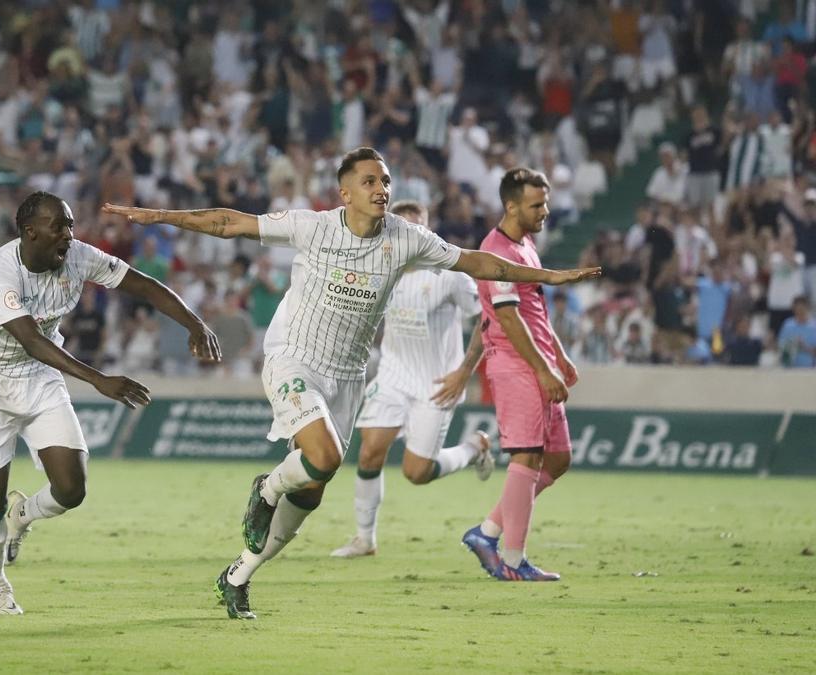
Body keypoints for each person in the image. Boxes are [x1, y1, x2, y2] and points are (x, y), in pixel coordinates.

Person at [103, 147, 600, 619]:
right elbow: (227, 222)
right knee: (322, 459)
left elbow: (477, 261)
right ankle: (267, 487)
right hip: (294, 359)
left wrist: (546, 276)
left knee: (314, 490)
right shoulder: (312, 227)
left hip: (349, 376)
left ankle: (239, 574)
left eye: (385, 180)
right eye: (369, 181)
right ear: (345, 193)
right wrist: (163, 216)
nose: (381, 187)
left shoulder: (406, 237)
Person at [0, 191, 220, 615]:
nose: (69, 233)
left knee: (72, 489)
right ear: (30, 232)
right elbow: (30, 340)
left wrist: (194, 322)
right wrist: (98, 379)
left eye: (70, 224)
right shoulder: (0, 273)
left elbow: (141, 284)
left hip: (41, 378)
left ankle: (24, 514)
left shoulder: (78, 256)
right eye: (58, 226)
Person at [329, 200, 493, 559]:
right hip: (392, 375)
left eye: (417, 227)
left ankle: (475, 448)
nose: (410, 234)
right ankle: (364, 539)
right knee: (370, 452)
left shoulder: (450, 274)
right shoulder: (377, 270)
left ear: (427, 230)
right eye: (402, 227)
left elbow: (487, 320)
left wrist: (464, 373)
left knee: (417, 473)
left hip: (437, 383)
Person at [460, 168, 586, 582]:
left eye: (545, 202)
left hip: (539, 359)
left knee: (558, 457)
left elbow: (534, 310)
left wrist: (560, 356)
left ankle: (488, 532)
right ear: (511, 205)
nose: (545, 211)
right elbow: (509, 317)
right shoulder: (496, 252)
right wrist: (542, 367)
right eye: (537, 204)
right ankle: (513, 560)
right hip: (516, 364)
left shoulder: (527, 245)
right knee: (527, 455)